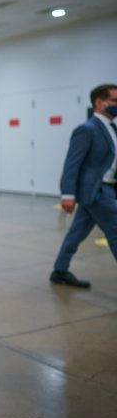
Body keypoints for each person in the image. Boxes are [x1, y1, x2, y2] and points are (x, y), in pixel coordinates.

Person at [50, 83, 117, 287]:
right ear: (99, 103)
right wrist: (67, 194)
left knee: (77, 232)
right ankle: (60, 270)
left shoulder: (112, 128)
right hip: (96, 191)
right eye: (115, 100)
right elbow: (72, 163)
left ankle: (60, 271)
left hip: (108, 188)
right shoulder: (86, 129)